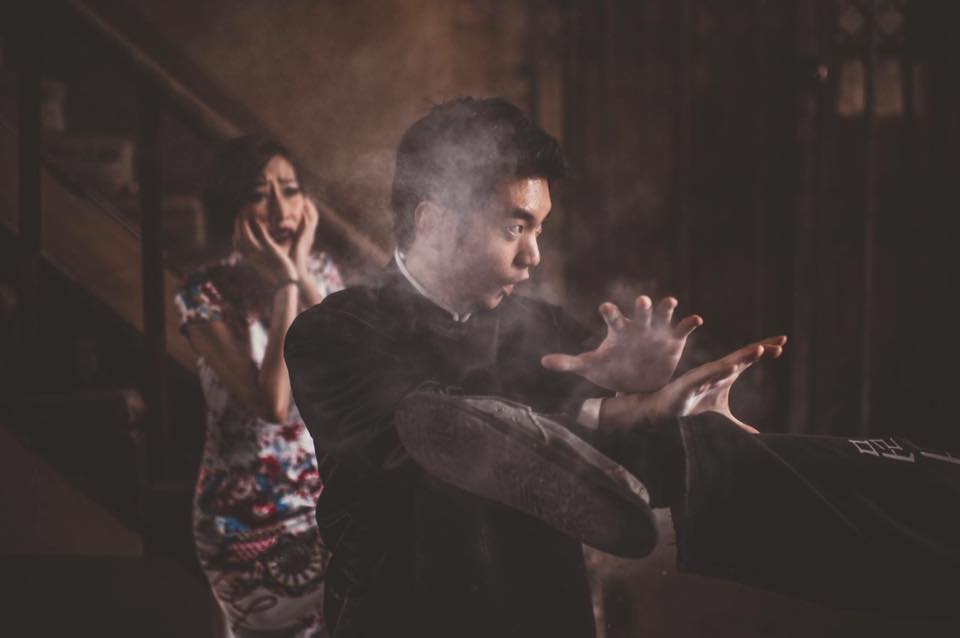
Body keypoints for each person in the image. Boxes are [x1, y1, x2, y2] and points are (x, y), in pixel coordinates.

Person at [285, 98, 960, 637]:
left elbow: (631, 469)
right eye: (516, 227)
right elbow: (439, 433)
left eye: (540, 230)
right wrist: (601, 408)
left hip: (542, 615)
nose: (533, 256)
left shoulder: (546, 329)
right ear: (432, 222)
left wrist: (682, 418)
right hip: (404, 618)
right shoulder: (332, 336)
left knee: (864, 480)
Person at [174, 136, 344, 637]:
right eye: (257, 195)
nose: (280, 210)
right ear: (232, 209)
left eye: (290, 191)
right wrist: (285, 287)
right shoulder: (203, 292)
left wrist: (302, 276)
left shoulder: (322, 273)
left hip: (328, 510)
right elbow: (272, 403)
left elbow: (353, 365)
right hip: (246, 521)